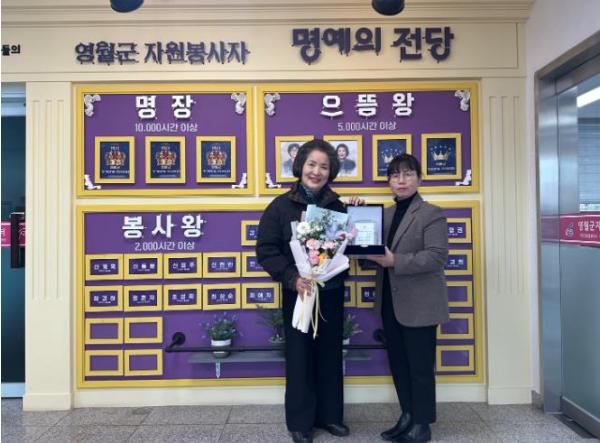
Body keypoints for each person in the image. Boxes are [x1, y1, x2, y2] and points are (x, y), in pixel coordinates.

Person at [256, 139, 353, 443]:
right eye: (312, 164)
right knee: (299, 356)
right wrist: (292, 277)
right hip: (298, 292)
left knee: (330, 354)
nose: (316, 171)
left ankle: (330, 417)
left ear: (330, 171)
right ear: (300, 166)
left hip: (331, 291)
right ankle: (300, 422)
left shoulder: (339, 206)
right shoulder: (281, 206)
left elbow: (351, 247)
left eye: (324, 166)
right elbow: (266, 250)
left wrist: (360, 217)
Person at [366, 153, 449, 443]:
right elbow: (372, 253)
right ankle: (408, 415)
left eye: (408, 174)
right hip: (390, 302)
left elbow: (436, 257)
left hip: (420, 304)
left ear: (419, 179)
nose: (401, 180)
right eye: (395, 175)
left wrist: (394, 261)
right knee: (399, 365)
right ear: (389, 182)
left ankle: (422, 425)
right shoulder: (384, 215)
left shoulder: (432, 213)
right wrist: (356, 240)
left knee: (420, 367)